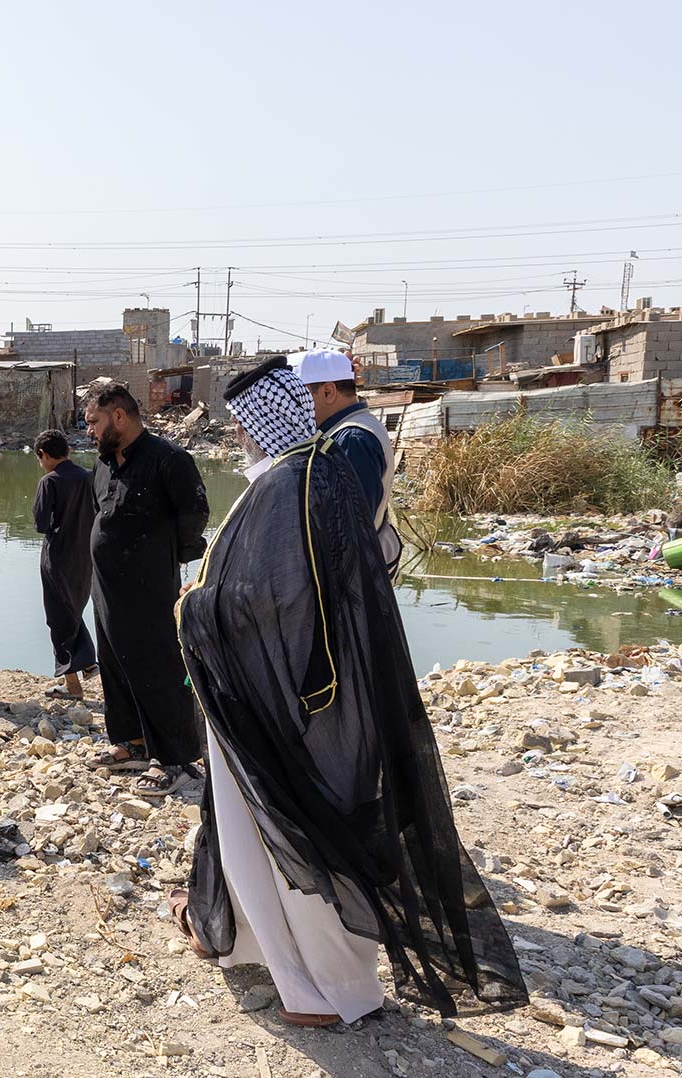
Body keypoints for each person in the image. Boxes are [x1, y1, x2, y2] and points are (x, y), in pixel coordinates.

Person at [173, 356, 526, 1025]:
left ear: (262, 420)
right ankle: (259, 946)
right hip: (289, 686)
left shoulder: (290, 484)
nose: (240, 436)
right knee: (260, 828)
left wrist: (194, 610)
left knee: (300, 829)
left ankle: (329, 994)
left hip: (289, 695)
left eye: (245, 423)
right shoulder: (307, 474)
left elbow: (282, 596)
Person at [83, 380, 209, 795]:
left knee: (158, 667)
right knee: (116, 663)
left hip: (151, 587)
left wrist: (176, 555)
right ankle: (132, 743)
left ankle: (176, 758)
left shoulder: (168, 460)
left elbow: (194, 513)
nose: (89, 431)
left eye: (94, 422)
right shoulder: (103, 463)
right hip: (107, 587)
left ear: (119, 416)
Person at [291, 348, 401, 580]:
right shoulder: (345, 431)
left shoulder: (351, 439)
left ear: (328, 391)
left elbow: (346, 531)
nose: (293, 407)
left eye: (298, 397)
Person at [31, 429, 97, 701]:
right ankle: (88, 662)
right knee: (72, 610)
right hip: (86, 556)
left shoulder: (50, 481)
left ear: (44, 455)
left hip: (57, 557)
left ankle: (73, 684)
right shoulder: (89, 478)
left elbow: (40, 524)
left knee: (57, 617)